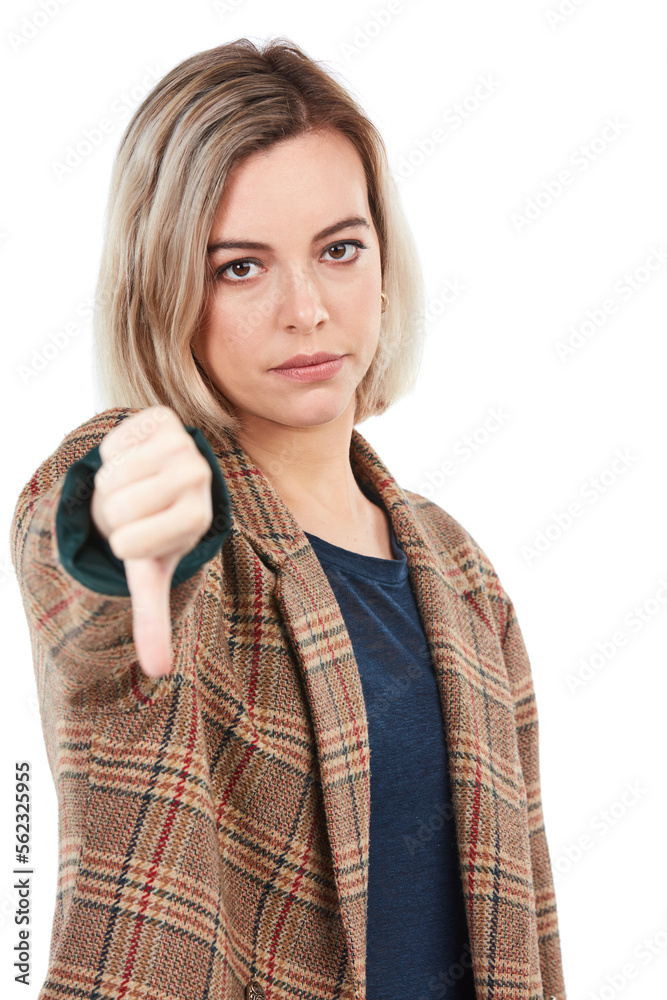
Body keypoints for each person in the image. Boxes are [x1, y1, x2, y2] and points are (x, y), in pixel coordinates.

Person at [10, 37, 566, 1000]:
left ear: (383, 264)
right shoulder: (160, 501)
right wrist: (125, 535)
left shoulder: (462, 574)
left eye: (339, 249)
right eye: (239, 268)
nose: (305, 308)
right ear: (164, 288)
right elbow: (94, 578)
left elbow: (530, 925)